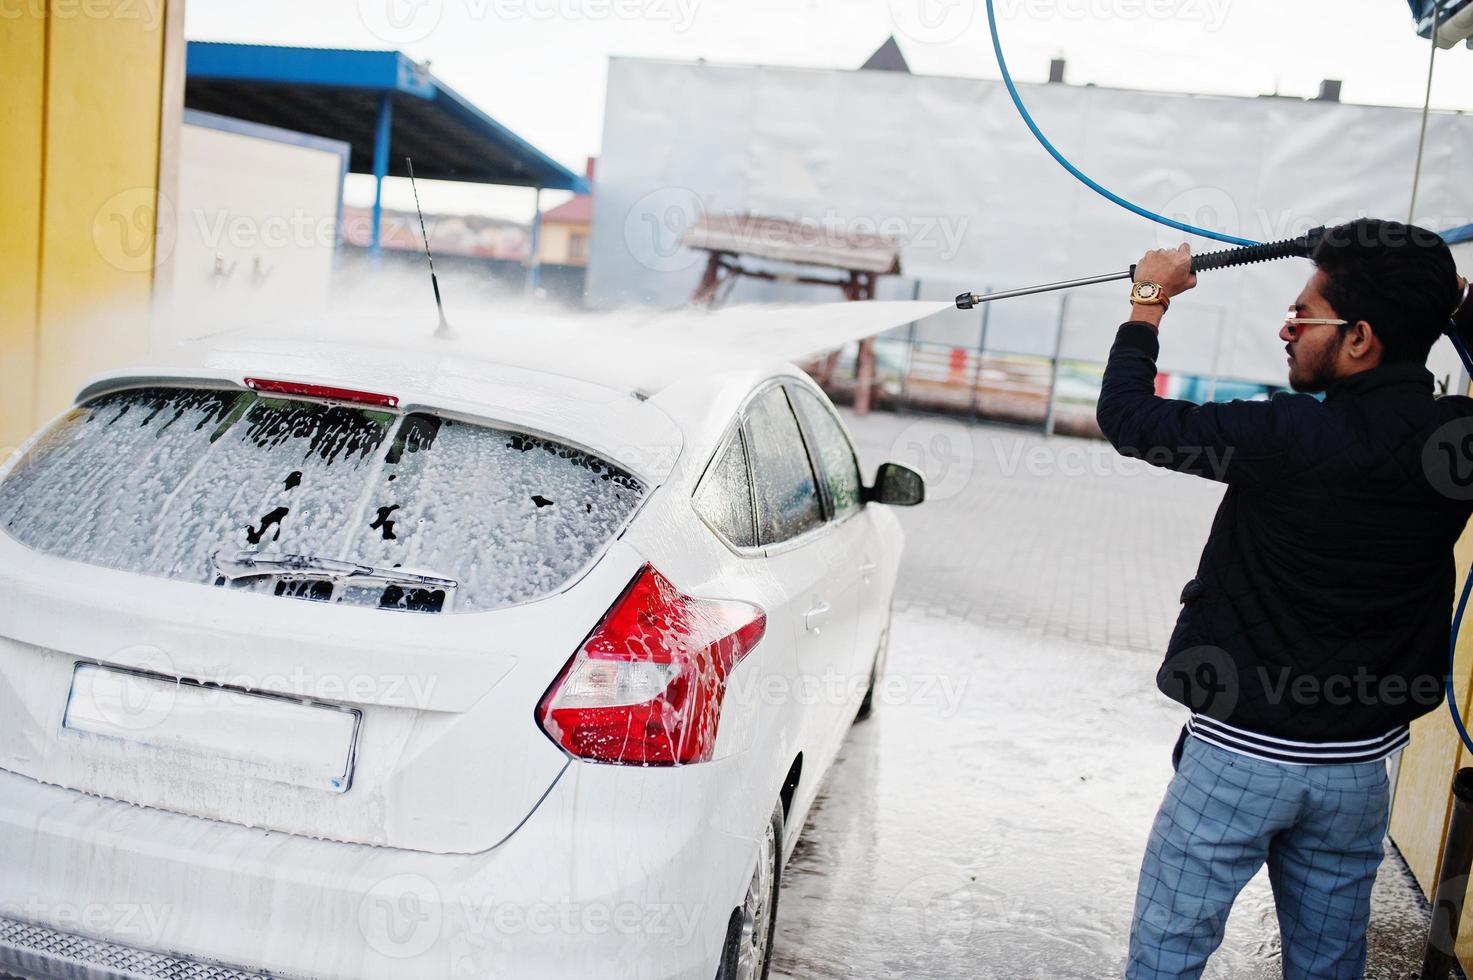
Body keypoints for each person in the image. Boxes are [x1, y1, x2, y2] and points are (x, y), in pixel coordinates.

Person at [1095, 217, 1473, 979]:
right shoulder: (1455, 441)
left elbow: (1128, 417)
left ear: (1359, 338)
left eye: (1303, 315)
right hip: (1356, 772)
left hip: (1237, 760)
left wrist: (1147, 300)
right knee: (1328, 965)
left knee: (1168, 953)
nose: (1285, 329)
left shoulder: (1281, 433)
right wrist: (1448, 305)